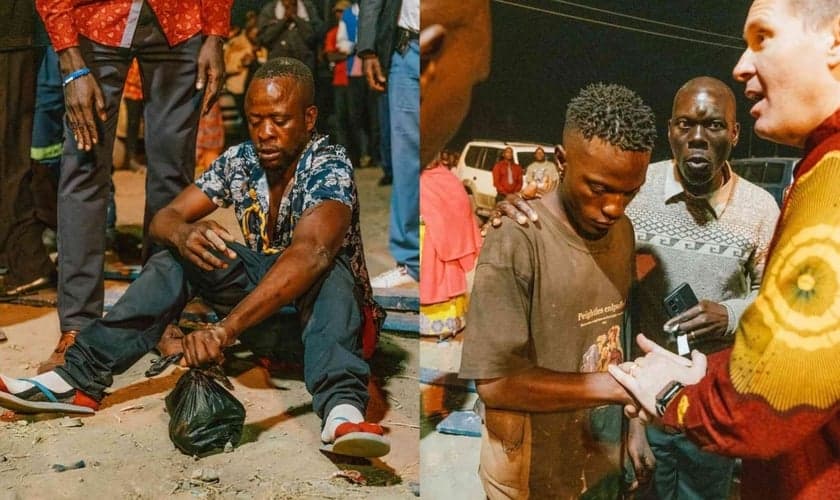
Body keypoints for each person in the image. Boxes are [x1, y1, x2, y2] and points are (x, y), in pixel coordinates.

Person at [0, 57, 389, 459]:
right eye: (256, 120)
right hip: (273, 330)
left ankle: (342, 411)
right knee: (183, 253)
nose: (265, 133)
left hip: (337, 329)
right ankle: (77, 380)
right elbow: (165, 218)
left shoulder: (328, 164)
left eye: (279, 120)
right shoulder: (241, 161)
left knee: (329, 265)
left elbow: (312, 252)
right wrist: (184, 234)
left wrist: (223, 331)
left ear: (309, 119)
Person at [609, 1, 840, 498]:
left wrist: (675, 392)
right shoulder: (635, 191)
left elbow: (774, 395)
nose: (741, 65)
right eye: (685, 124)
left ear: (835, 40)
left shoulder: (824, 182)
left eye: (762, 37)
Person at [459, 83, 658, 498]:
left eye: (629, 191)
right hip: (532, 470)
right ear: (562, 161)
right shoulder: (516, 237)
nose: (614, 208)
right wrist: (620, 386)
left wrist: (634, 428)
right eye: (599, 188)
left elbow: (619, 336)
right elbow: (495, 384)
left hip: (598, 458)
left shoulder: (622, 231)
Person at [34, 0, 231, 373]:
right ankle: (78, 325)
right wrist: (68, 56)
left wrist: (215, 34)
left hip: (182, 20)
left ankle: (158, 317)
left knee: (172, 179)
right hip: (95, 21)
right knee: (85, 167)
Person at [626, 76, 780, 500]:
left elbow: (775, 302)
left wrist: (729, 315)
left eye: (712, 126)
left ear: (733, 133)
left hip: (712, 404)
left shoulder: (760, 209)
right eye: (685, 124)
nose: (697, 138)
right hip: (643, 402)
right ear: (670, 130)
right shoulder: (637, 191)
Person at [357, 0, 420, 288]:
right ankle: (411, 262)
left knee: (450, 152)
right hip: (408, 49)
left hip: (452, 47)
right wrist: (369, 49)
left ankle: (451, 257)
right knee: (406, 158)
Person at [0, 2, 55, 298]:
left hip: (10, 35)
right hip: (12, 36)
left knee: (8, 156)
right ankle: (24, 260)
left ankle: (28, 262)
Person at [257, 0, 322, 74]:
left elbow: (313, 37)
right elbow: (265, 38)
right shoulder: (270, 9)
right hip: (278, 65)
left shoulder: (308, 8)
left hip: (304, 65)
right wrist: (283, 20)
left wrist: (296, 18)